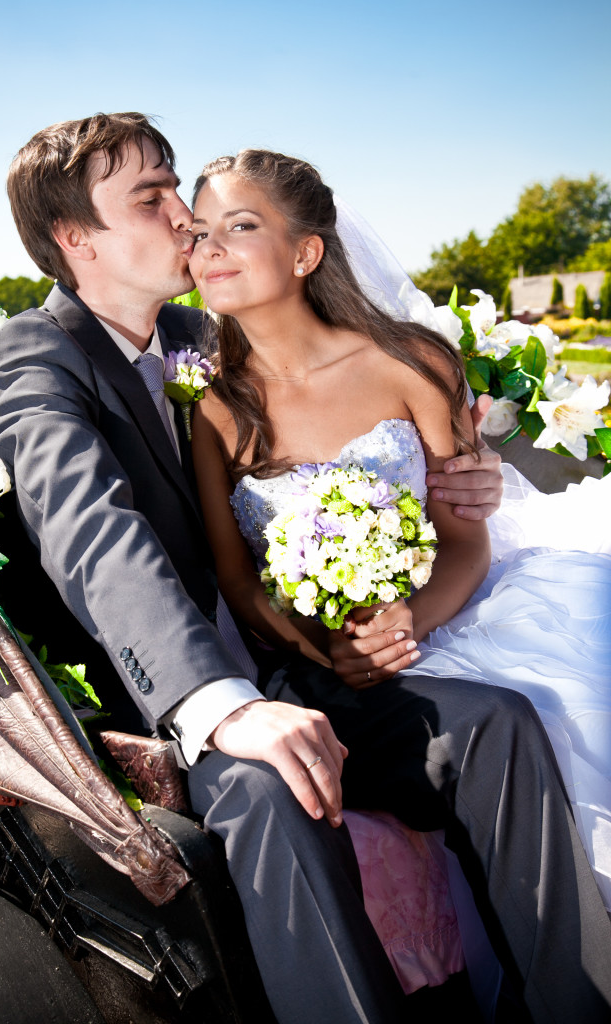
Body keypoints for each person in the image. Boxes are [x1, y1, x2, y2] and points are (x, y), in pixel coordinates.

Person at [0, 112, 582, 1024]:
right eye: (151, 197)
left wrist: (462, 475)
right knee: (269, 789)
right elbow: (91, 531)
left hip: (299, 660)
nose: (184, 215)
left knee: (496, 723)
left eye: (178, 186)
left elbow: (341, 387)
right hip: (178, 705)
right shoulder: (37, 353)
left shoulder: (199, 333)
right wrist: (219, 706)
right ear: (75, 238)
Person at [185, 147, 611, 1022]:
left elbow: (464, 540)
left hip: (438, 623)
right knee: (488, 717)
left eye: (240, 226)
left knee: (511, 711)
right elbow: (237, 580)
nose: (209, 249)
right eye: (198, 233)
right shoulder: (219, 410)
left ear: (306, 254)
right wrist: (329, 649)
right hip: (315, 672)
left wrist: (405, 623)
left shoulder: (410, 362)